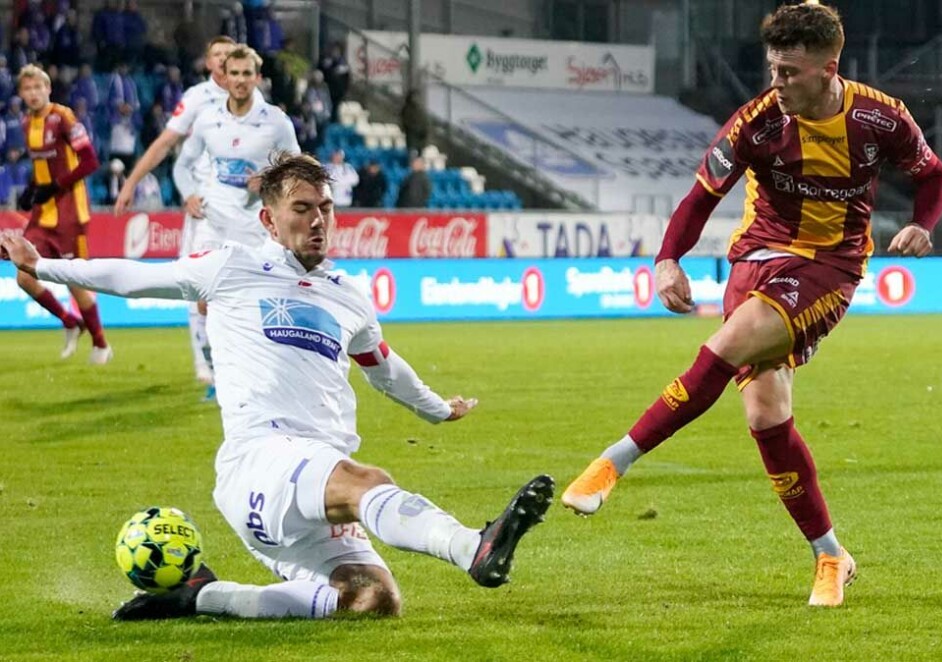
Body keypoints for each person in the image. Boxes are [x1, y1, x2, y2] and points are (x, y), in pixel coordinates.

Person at [0, 151, 555, 621]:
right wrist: (47, 266)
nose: (318, 221)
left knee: (372, 599)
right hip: (259, 458)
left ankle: (201, 595)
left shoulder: (346, 295)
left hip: (309, 479)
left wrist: (438, 411)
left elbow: (384, 368)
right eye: (302, 209)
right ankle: (471, 547)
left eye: (326, 208)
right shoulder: (229, 267)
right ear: (269, 220)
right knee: (367, 481)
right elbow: (137, 277)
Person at [561, 2, 942, 608]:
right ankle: (830, 555)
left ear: (829, 68)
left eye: (790, 72)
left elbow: (935, 176)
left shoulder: (881, 117)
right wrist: (668, 258)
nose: (777, 82)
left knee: (728, 345)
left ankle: (614, 461)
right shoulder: (757, 122)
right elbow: (699, 198)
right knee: (766, 417)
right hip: (757, 259)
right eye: (772, 68)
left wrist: (924, 224)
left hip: (830, 266)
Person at [172, 44, 299, 397]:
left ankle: (259, 369)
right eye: (235, 73)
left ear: (257, 78)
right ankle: (215, 373)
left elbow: (297, 170)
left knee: (255, 302)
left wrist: (270, 179)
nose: (241, 81)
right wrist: (189, 194)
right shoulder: (208, 119)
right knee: (201, 295)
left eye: (247, 74)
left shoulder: (275, 121)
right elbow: (183, 164)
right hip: (213, 219)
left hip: (255, 224)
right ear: (223, 77)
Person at [113, 36, 238, 390]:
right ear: (209, 63)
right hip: (203, 206)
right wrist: (131, 183)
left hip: (243, 209)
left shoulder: (253, 100)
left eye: (230, 53)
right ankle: (205, 359)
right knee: (197, 285)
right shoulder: (197, 99)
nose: (224, 59)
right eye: (217, 54)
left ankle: (236, 359)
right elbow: (165, 145)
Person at [14, 64, 112, 363]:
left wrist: (54, 186)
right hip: (43, 214)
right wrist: (32, 188)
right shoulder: (26, 123)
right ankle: (70, 321)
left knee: (75, 281)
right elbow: (44, 164)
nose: (33, 94)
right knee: (24, 276)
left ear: (48, 89)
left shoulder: (64, 117)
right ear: (21, 93)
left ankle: (100, 343)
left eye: (37, 88)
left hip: (71, 213)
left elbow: (90, 161)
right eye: (27, 89)